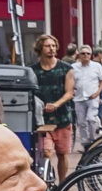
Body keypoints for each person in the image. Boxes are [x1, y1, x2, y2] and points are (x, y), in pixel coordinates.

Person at [30, 34, 75, 174]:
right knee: (46, 153)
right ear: (40, 48)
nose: (51, 49)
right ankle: (46, 183)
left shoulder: (66, 68)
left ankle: (62, 186)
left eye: (54, 46)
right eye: (48, 46)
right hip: (41, 120)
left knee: (62, 154)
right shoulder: (32, 70)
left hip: (62, 118)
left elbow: (69, 92)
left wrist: (56, 104)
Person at [69, 44, 102, 144]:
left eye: (88, 53)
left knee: (91, 118)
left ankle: (93, 140)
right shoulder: (73, 67)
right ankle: (85, 143)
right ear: (79, 55)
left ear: (91, 55)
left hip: (92, 97)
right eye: (83, 53)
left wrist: (97, 93)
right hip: (78, 98)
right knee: (81, 123)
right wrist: (71, 90)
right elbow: (70, 81)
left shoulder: (97, 66)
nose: (85, 55)